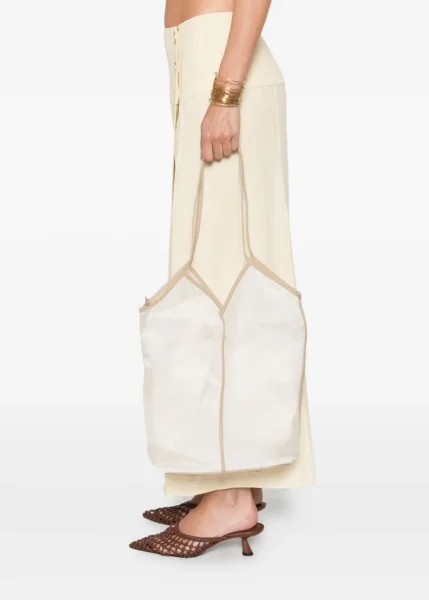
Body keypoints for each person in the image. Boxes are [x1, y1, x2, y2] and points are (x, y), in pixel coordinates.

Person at [130, 0, 315, 558]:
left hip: (224, 68)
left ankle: (231, 495)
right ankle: (237, 475)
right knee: (217, 270)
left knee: (226, 280)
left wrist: (226, 92)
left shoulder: (226, 85)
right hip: (202, 62)